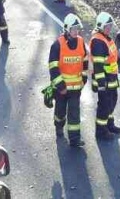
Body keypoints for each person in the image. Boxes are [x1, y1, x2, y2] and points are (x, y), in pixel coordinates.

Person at [48, 14, 88, 147]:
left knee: (74, 113)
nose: (76, 31)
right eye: (74, 29)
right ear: (66, 29)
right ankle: (58, 126)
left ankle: (74, 139)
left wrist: (84, 79)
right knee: (60, 111)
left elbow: (85, 61)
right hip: (61, 90)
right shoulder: (57, 45)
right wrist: (61, 86)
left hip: (76, 89)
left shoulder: (81, 42)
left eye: (78, 29)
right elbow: (53, 69)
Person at [90, 11, 120, 140]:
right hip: (104, 80)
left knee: (111, 102)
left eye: (110, 26)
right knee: (104, 105)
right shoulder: (98, 41)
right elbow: (98, 66)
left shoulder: (106, 38)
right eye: (107, 26)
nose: (109, 28)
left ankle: (109, 125)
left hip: (112, 78)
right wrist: (101, 85)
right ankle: (101, 132)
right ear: (101, 26)